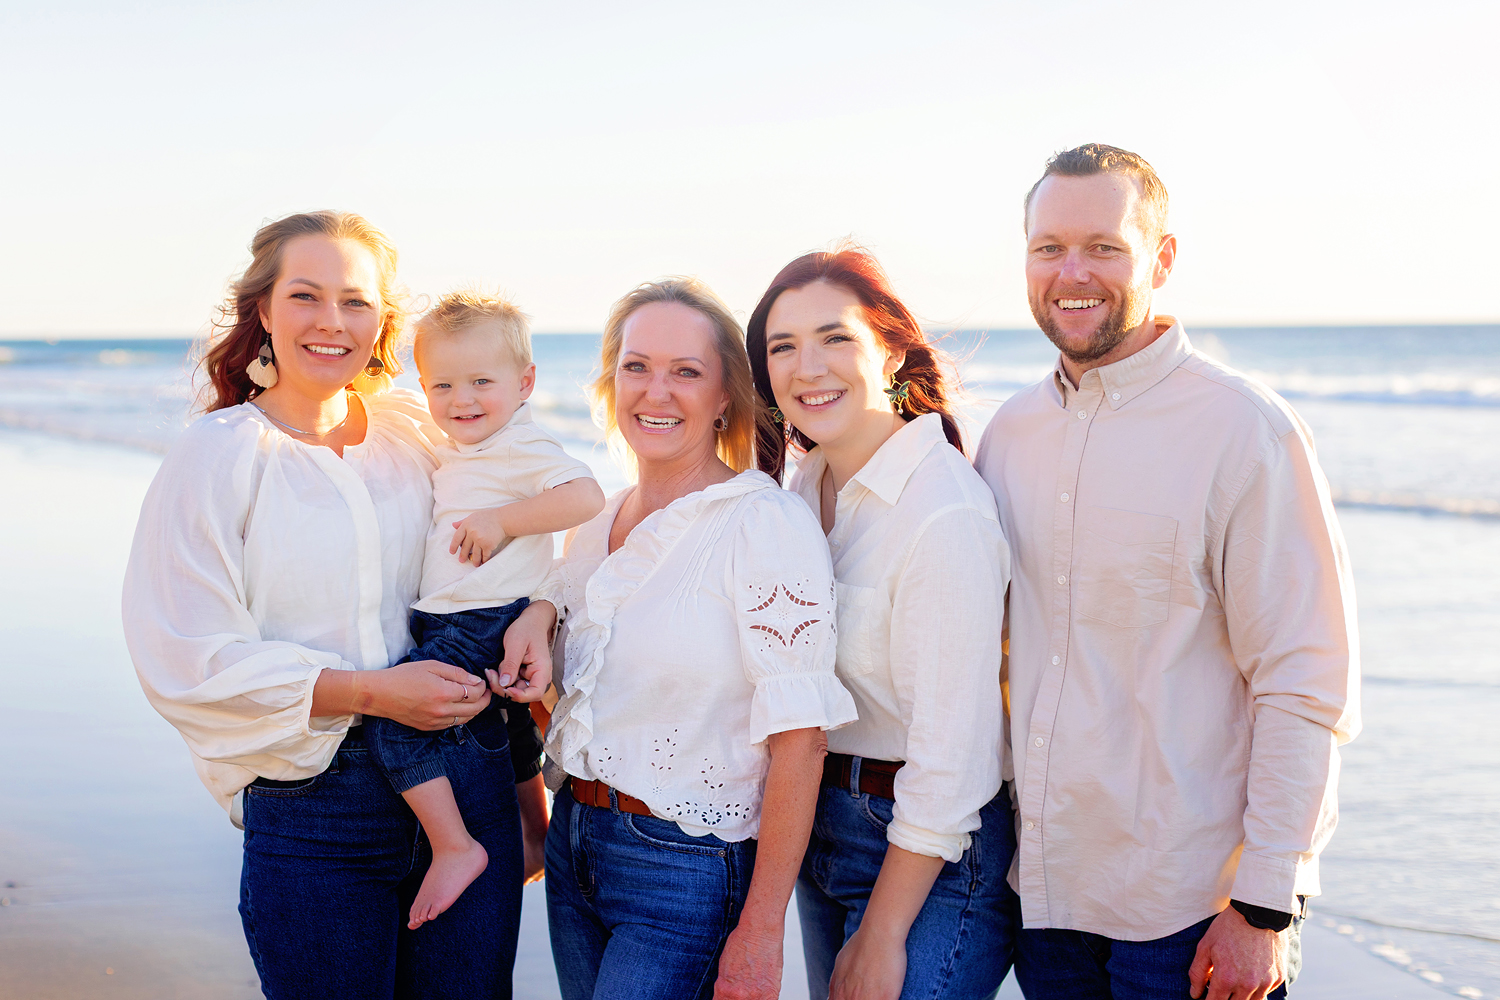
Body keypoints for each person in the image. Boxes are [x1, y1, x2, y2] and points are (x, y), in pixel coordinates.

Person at [123, 211, 549, 999]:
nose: (331, 322)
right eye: (306, 296)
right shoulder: (218, 455)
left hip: (470, 776)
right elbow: (182, 657)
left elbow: (539, 526)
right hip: (318, 805)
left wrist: (541, 615)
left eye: (355, 301)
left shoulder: (421, 432)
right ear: (263, 310)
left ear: (383, 319)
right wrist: (370, 693)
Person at [972, 144, 1360, 1000]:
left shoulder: (1243, 430)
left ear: (1162, 258)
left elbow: (1303, 677)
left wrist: (1264, 906)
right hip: (1047, 901)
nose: (1072, 272)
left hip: (1192, 907)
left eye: (1105, 246)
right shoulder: (1008, 434)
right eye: (1049, 248)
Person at [496, 277, 858, 1000]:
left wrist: (761, 931)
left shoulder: (762, 524)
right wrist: (538, 618)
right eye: (637, 366)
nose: (655, 392)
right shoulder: (596, 521)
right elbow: (575, 665)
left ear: (725, 394)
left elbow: (802, 741)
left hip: (685, 872)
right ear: (611, 380)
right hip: (575, 850)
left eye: (686, 372)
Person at [746, 247, 1018, 1000]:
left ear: (892, 349)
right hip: (816, 822)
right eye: (783, 347)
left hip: (928, 850)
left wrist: (885, 931)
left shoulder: (943, 511)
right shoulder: (797, 490)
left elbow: (954, 757)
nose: (808, 368)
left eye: (835, 338)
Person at [366, 290, 605, 930]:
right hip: (471, 615)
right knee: (512, 729)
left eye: (481, 382)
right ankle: (534, 832)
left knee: (395, 724)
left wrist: (504, 521)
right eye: (442, 385)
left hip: (480, 617)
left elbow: (585, 495)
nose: (461, 399)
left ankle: (454, 846)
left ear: (525, 383)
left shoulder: (520, 447)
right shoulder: (466, 446)